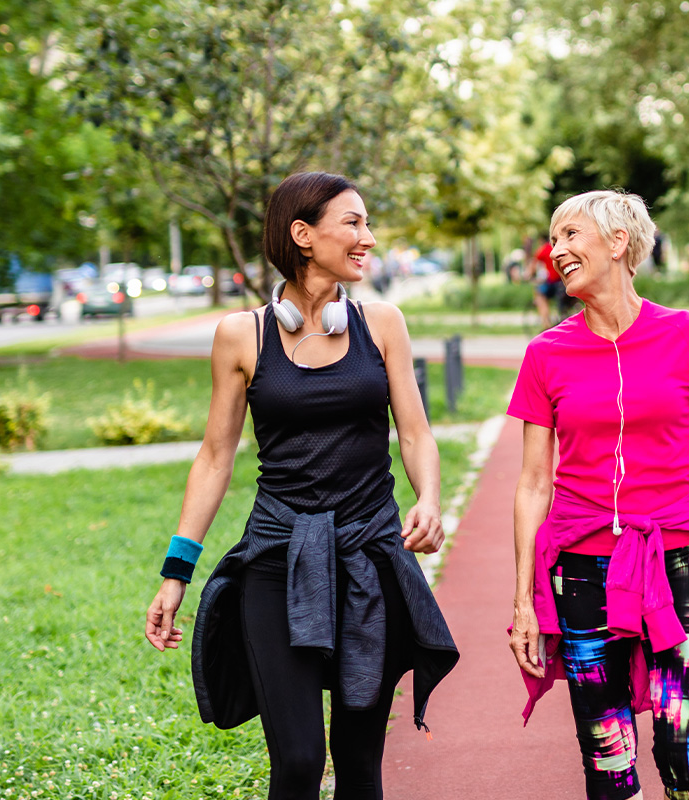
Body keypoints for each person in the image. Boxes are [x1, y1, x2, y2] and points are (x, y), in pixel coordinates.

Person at [144, 171, 458, 800]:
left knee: (359, 764)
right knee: (298, 759)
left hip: (369, 557)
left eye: (367, 223)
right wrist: (176, 573)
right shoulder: (243, 334)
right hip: (276, 558)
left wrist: (427, 498)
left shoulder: (383, 323)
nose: (368, 238)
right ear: (303, 234)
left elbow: (415, 433)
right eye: (353, 223)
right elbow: (214, 458)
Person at [508, 190, 689, 800]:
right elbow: (534, 481)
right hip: (580, 565)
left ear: (618, 243)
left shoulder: (688, 334)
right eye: (554, 238)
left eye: (570, 235)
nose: (557, 250)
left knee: (685, 747)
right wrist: (523, 601)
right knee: (607, 756)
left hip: (679, 559)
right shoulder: (545, 353)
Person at [527, 233, 566, 329]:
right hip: (563, 280)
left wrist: (528, 275)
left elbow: (533, 264)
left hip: (553, 281)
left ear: (541, 240)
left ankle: (546, 323)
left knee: (539, 295)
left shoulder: (544, 249)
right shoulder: (557, 247)